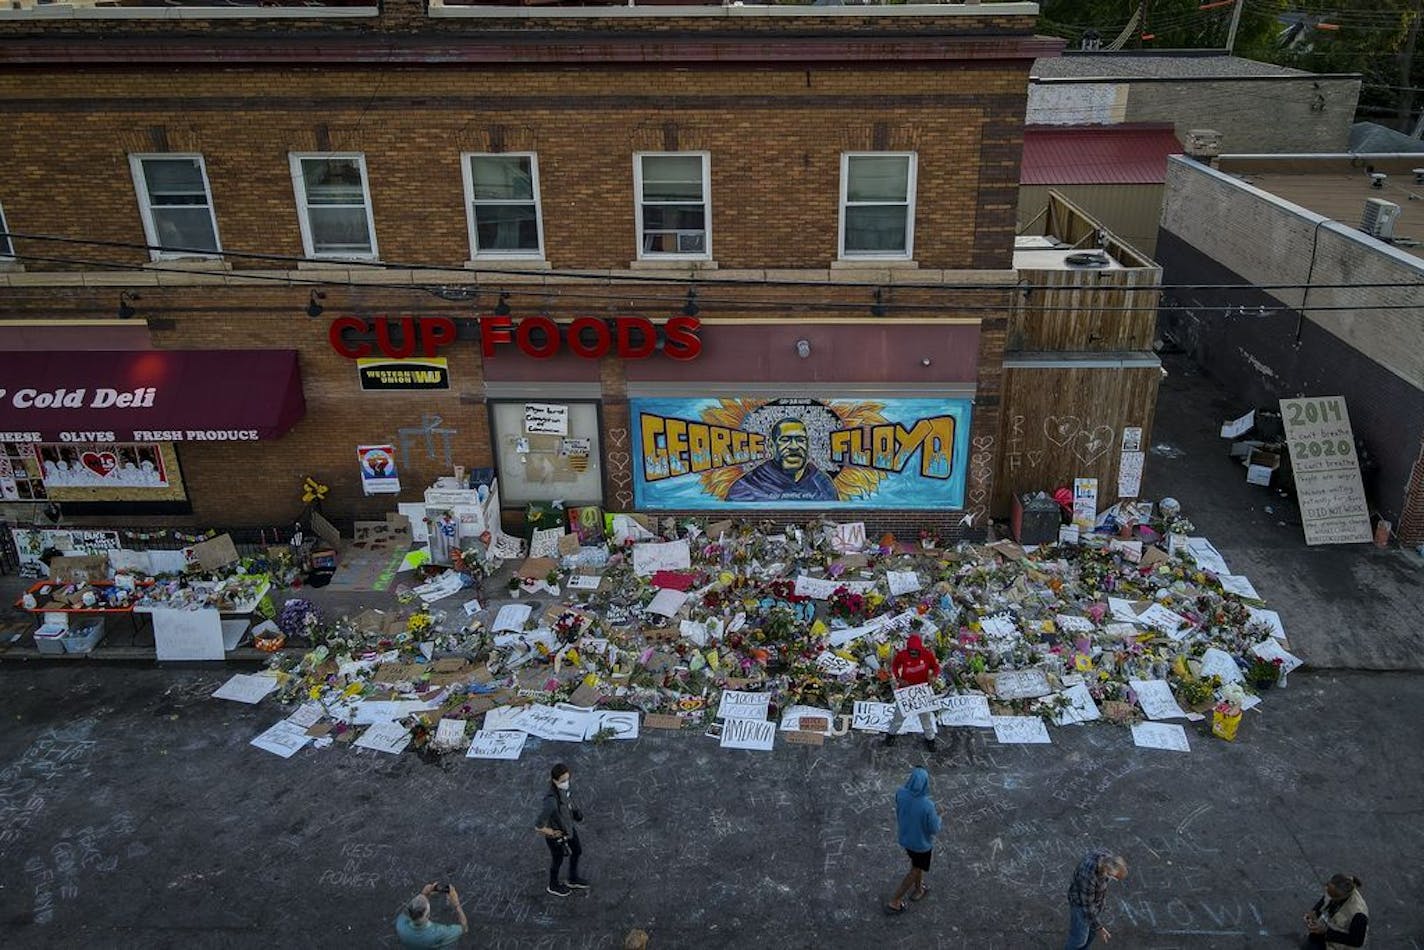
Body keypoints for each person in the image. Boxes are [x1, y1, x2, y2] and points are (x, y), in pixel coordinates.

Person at [726, 418, 839, 502]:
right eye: (785, 440)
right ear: (771, 446)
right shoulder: (747, 486)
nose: (794, 446)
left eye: (800, 439)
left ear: (808, 444)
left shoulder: (823, 483)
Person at [885, 767, 945, 914]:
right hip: (921, 844)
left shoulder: (901, 793)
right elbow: (934, 828)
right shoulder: (927, 805)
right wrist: (940, 815)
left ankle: (919, 889)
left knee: (916, 864)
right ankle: (895, 900)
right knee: (916, 869)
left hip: (906, 838)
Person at [535, 762, 589, 897]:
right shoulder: (551, 801)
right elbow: (538, 825)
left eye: (567, 779)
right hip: (557, 836)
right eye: (563, 781)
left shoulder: (563, 791)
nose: (566, 783)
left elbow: (568, 805)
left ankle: (572, 878)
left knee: (577, 851)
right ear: (554, 780)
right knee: (557, 859)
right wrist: (552, 832)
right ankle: (553, 885)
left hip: (568, 828)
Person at [883, 633, 942, 751]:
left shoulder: (927, 655)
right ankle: (891, 735)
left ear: (920, 648)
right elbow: (894, 666)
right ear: (908, 649)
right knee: (898, 717)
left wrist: (934, 677)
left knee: (926, 718)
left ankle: (930, 739)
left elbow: (936, 667)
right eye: (911, 651)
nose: (913, 653)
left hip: (922, 691)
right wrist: (899, 679)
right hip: (905, 691)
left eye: (916, 651)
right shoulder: (902, 655)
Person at [1065, 849, 1128, 949]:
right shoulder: (1088, 876)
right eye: (1113, 877)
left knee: (1091, 933)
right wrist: (1100, 928)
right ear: (1107, 871)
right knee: (1079, 939)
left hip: (1093, 902)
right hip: (1080, 904)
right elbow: (1087, 907)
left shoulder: (1107, 858)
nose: (1112, 880)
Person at [1303, 873, 1368, 948]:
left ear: (1342, 897)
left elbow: (1357, 941)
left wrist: (1326, 932)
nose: (1328, 896)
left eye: (1332, 897)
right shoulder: (1341, 885)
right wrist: (1315, 911)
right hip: (1329, 929)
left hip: (1341, 944)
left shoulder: (1358, 915)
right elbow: (1325, 898)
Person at [393, 883, 467, 948]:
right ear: (428, 915)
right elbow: (464, 928)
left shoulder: (400, 924)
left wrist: (423, 894)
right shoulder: (439, 933)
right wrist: (456, 904)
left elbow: (408, 909)